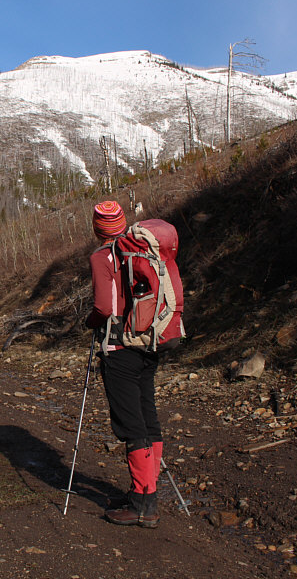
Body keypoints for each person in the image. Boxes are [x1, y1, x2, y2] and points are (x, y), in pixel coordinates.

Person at [85, 200, 162, 528]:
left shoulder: (101, 257)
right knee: (147, 417)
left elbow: (104, 307)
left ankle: (143, 504)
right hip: (149, 343)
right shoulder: (143, 250)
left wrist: (91, 321)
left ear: (97, 228)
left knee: (131, 424)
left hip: (119, 348)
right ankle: (146, 492)